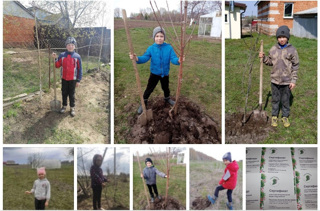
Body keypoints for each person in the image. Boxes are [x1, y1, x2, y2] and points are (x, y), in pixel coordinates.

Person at [129, 26, 184, 114]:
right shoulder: (151, 48)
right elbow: (145, 57)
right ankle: (144, 102)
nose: (159, 38)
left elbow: (173, 58)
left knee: (165, 87)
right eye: (157, 36)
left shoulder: (169, 48)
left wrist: (178, 60)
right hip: (154, 73)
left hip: (165, 73)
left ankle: (167, 98)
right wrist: (136, 58)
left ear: (164, 37)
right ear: (154, 37)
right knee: (149, 89)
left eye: (161, 36)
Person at [259, 25, 299, 127]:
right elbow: (270, 62)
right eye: (279, 37)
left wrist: (293, 80)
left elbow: (295, 65)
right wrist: (264, 58)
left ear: (287, 38)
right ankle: (274, 116)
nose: (281, 39)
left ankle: (285, 116)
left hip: (286, 81)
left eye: (284, 37)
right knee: (275, 99)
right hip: (275, 80)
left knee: (285, 100)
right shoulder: (273, 49)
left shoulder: (292, 50)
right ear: (277, 38)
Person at [52, 37, 82, 117]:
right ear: (66, 46)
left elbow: (80, 69)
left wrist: (78, 80)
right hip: (64, 79)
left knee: (71, 94)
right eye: (69, 45)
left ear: (74, 46)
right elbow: (57, 65)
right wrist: (55, 59)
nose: (70, 46)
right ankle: (64, 106)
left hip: (73, 79)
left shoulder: (77, 57)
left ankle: (72, 108)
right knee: (64, 93)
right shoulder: (62, 55)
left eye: (72, 45)